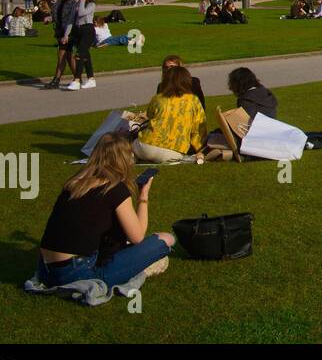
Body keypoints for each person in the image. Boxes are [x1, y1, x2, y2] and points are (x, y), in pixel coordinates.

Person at [36, 134, 175, 291]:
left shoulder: (74, 183)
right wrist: (143, 197)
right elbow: (137, 237)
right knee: (167, 239)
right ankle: (139, 268)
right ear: (124, 160)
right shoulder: (115, 189)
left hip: (45, 271)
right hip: (77, 272)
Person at [136, 65, 209, 163]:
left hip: (145, 146)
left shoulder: (157, 98)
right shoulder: (194, 100)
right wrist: (200, 149)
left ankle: (130, 156)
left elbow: (149, 117)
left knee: (129, 141)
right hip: (172, 151)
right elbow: (199, 128)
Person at [64, 0, 98, 91]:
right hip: (78, 31)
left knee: (79, 55)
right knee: (85, 56)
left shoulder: (91, 4)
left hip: (88, 30)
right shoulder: (77, 4)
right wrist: (66, 34)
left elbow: (82, 13)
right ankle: (91, 79)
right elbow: (71, 20)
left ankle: (77, 80)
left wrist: (83, 0)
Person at [45, 0, 78, 89]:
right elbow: (56, 15)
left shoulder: (74, 3)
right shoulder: (59, 2)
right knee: (68, 56)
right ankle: (77, 78)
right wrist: (49, 19)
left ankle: (57, 80)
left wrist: (67, 34)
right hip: (59, 32)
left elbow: (71, 19)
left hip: (69, 33)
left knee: (62, 55)